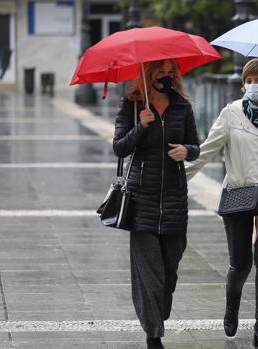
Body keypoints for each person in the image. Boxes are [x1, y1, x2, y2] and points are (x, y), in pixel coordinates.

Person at [186, 58, 258, 349]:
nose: (253, 86)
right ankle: (231, 306)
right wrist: (178, 178)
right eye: (248, 81)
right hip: (239, 193)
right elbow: (207, 150)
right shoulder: (231, 113)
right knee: (241, 263)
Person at [112, 59, 199, 349]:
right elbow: (119, 148)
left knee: (168, 273)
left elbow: (195, 147)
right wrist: (140, 126)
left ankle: (156, 317)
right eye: (160, 71)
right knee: (149, 274)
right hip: (141, 199)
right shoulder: (132, 104)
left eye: (170, 71)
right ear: (148, 74)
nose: (166, 76)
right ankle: (153, 336)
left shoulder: (182, 107)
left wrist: (186, 150)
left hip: (174, 199)